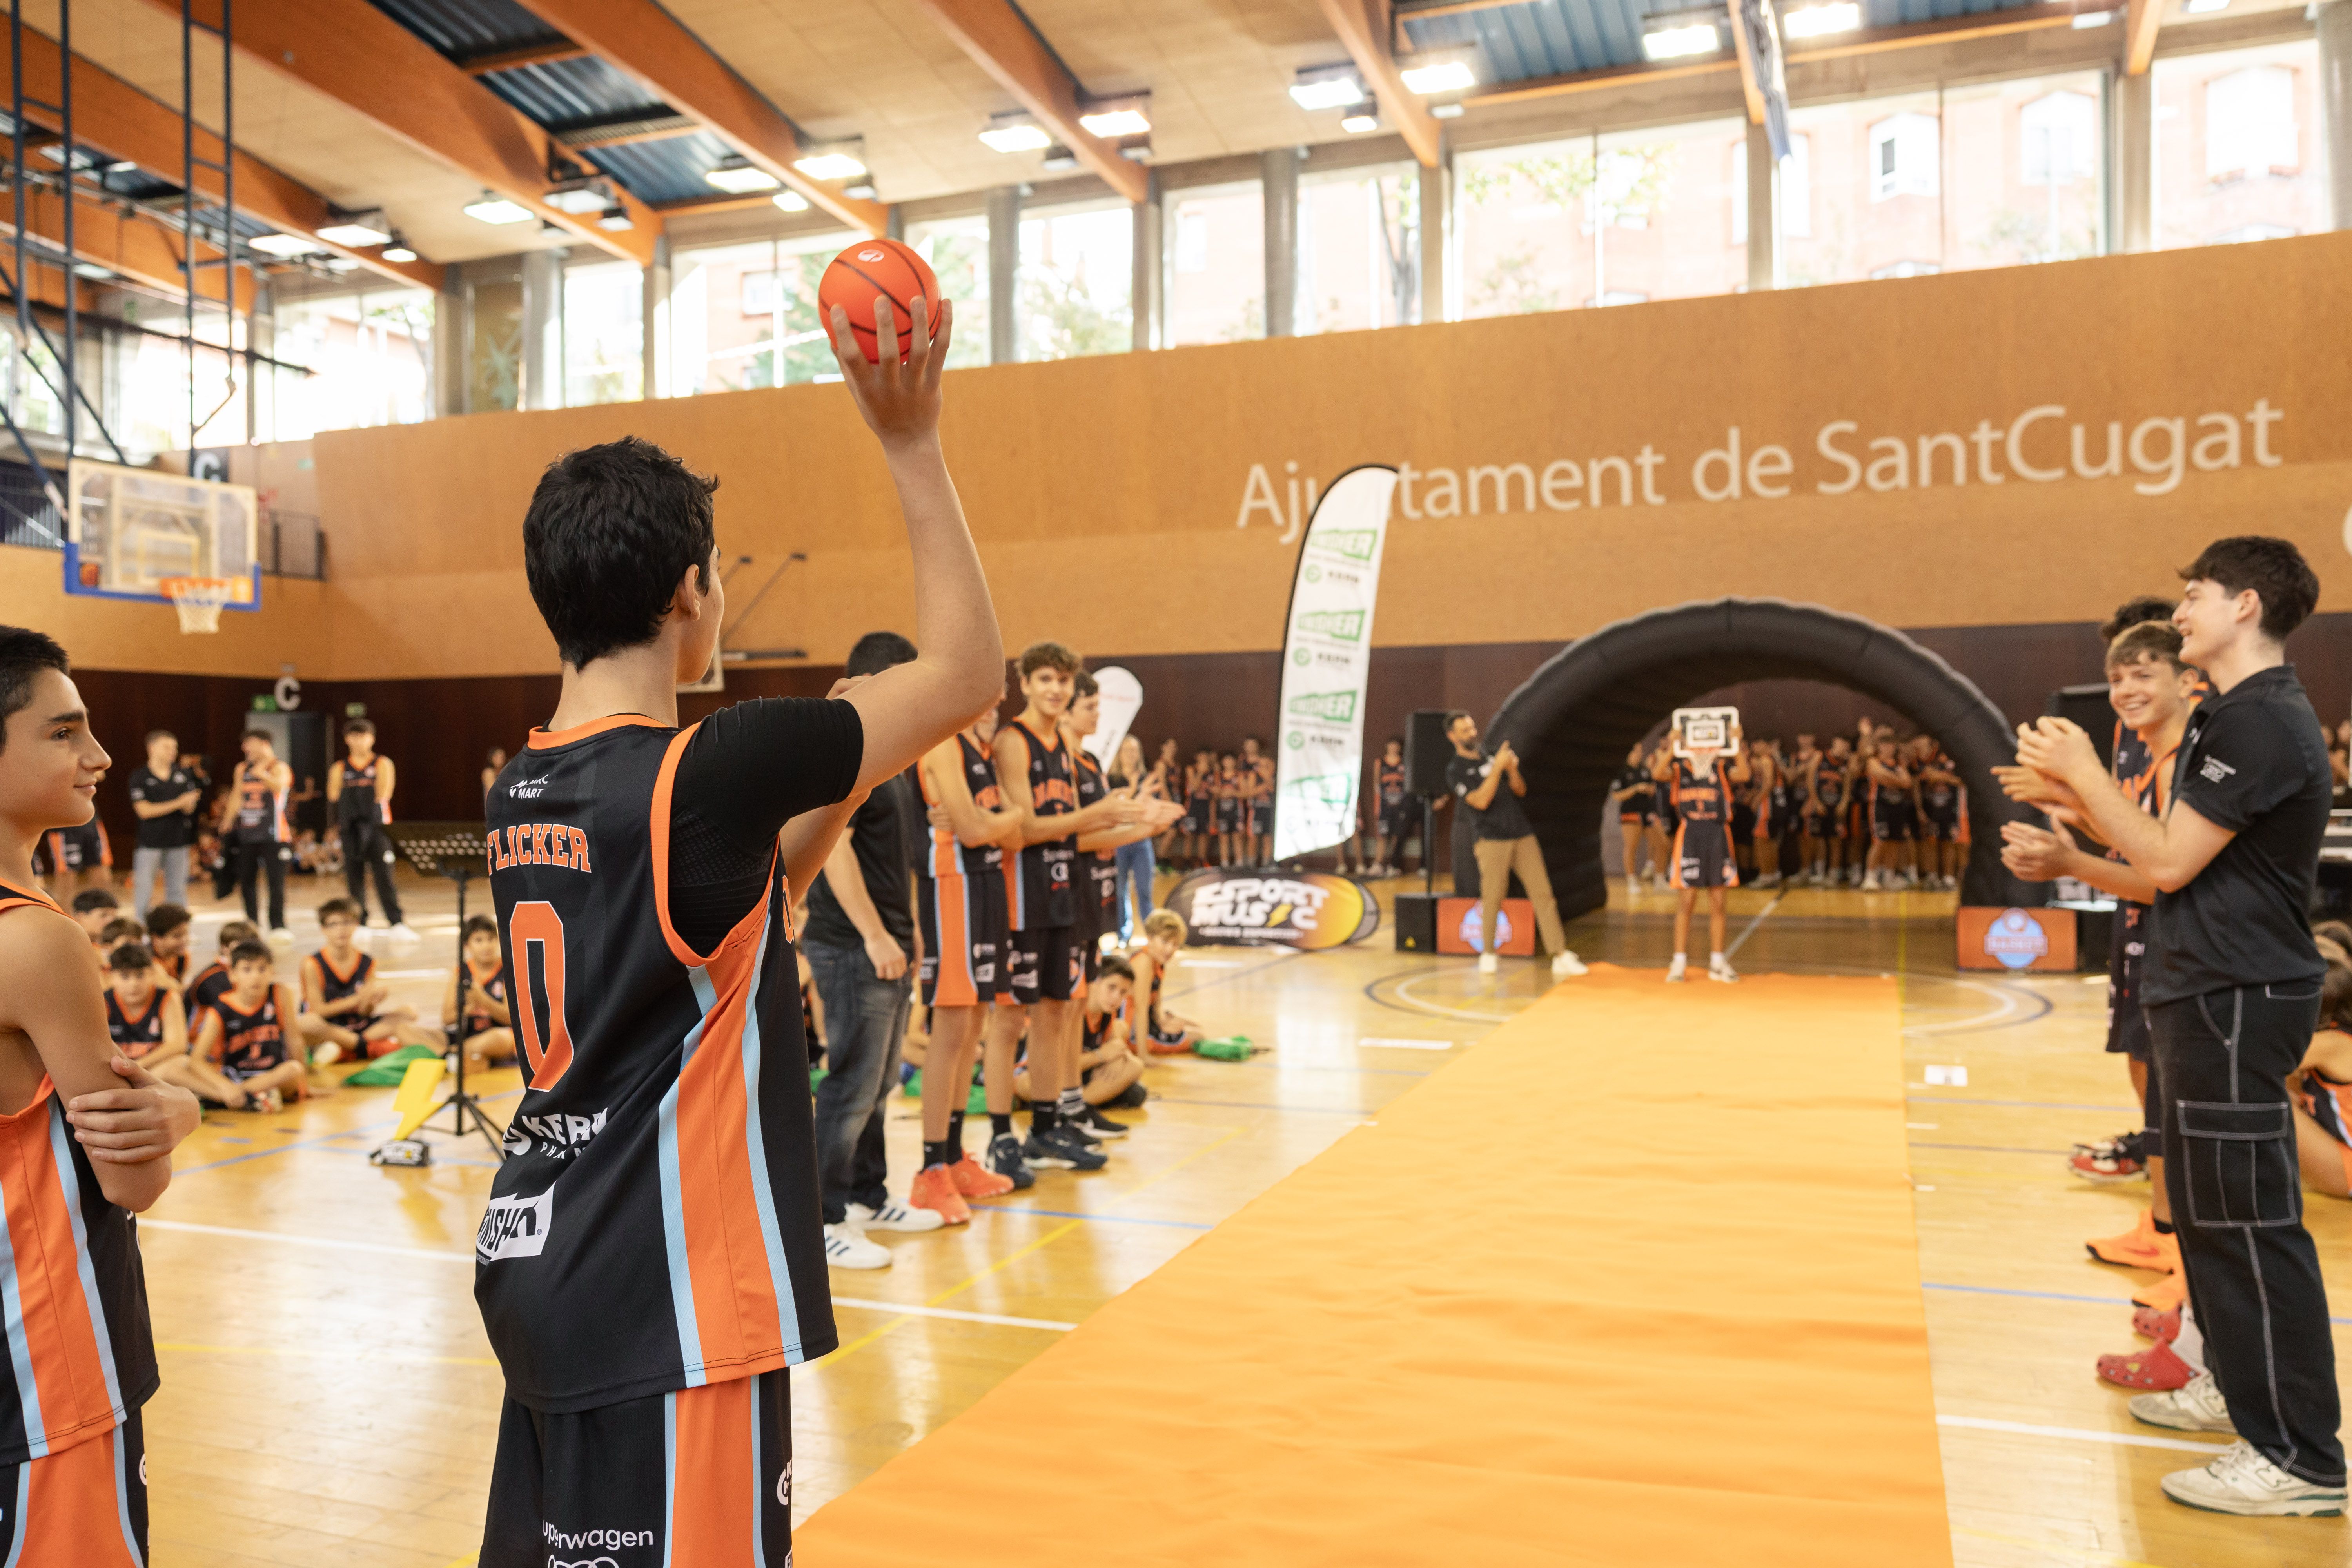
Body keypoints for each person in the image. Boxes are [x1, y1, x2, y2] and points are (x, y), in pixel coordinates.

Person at [472, 287, 1002, 1568]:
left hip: (545, 1257)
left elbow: (737, 909)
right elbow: (971, 673)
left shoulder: (525, 784)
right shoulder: (708, 768)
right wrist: (912, 439)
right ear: (691, 592)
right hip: (671, 1292)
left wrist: (840, 783)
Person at [2010, 536, 2343, 1516]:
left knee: (2250, 1223)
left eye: (2197, 592)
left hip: (2239, 996)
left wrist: (2079, 769)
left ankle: (2302, 1458)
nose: (2182, 606)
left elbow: (2162, 858)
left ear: (2244, 606)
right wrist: (2073, 832)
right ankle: (2244, 1404)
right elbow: (2173, 868)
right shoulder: (2232, 716)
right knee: (2206, 1220)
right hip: (2206, 989)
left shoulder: (2264, 723)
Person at [0, 626, 201, 1562]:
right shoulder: (38, 942)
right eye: (62, 732)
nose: (99, 756)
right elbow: (132, 1179)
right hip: (48, 1365)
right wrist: (185, 1108)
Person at [1998, 620, 2197, 1323]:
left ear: (2190, 678)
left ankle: (2184, 1262)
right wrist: (2076, 812)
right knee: (2157, 1091)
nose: (2125, 690)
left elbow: (2168, 875)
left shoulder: (2185, 762)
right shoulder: (2156, 756)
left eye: (2142, 673)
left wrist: (2072, 852)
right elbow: (2144, 852)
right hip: (2158, 943)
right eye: (2116, 677)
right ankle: (2168, 1239)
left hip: (2190, 955)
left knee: (2183, 1110)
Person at [802, 630, 947, 1269]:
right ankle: (821, 1218)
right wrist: (876, 934)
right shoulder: (849, 752)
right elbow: (833, 851)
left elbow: (902, 863)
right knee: (851, 1082)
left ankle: (867, 1195)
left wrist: (909, 929)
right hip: (850, 947)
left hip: (886, 943)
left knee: (882, 1079)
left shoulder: (898, 759)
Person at [980, 643, 1140, 1181]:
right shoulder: (1013, 742)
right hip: (1020, 900)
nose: (1056, 689)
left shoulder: (1067, 754)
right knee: (1010, 1019)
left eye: (1064, 681)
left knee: (1053, 1013)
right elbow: (1023, 829)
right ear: (1025, 683)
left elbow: (1076, 828)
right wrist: (1096, 812)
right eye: (1046, 679)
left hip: (1063, 896)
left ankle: (1046, 1128)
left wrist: (1135, 818)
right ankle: (1001, 1135)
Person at [907, 694, 1024, 1222]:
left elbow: (1006, 835)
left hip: (985, 887)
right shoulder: (943, 744)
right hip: (953, 888)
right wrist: (1007, 814)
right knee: (952, 1030)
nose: (991, 707)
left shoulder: (979, 753)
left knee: (974, 1025)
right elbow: (979, 831)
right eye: (981, 697)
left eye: (998, 701)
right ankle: (931, 1170)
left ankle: (953, 1159)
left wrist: (995, 819)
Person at [1444, 711, 1584, 980]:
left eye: (1472, 727)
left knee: (1543, 894)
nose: (1472, 733)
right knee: (1493, 897)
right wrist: (1497, 770)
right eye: (1464, 730)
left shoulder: (1492, 754)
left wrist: (1512, 770)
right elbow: (1480, 801)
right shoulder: (1456, 770)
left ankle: (1560, 954)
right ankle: (1488, 952)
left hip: (1522, 834)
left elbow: (1520, 790)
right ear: (1453, 737)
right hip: (1491, 840)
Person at [1655, 722, 1752, 983]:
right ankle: (1678, 962)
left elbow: (1744, 773)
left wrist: (1736, 744)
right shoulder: (1679, 770)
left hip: (1718, 835)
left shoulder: (1720, 769)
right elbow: (1657, 772)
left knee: (1719, 902)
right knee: (1686, 902)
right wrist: (1673, 746)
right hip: (1690, 836)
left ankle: (1718, 962)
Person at [302, 897, 436, 1065]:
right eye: (333, 925)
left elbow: (365, 1013)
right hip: (329, 1026)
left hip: (357, 1025)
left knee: (409, 1012)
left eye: (347, 923)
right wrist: (355, 1000)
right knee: (308, 1023)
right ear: (323, 929)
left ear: (356, 924)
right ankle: (362, 1047)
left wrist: (371, 1001)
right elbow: (318, 1011)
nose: (341, 930)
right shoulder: (312, 964)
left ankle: (347, 1047)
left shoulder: (367, 962)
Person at [191, 940, 313, 1113]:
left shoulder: (281, 994)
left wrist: (304, 1084)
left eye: (262, 969)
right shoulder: (221, 1009)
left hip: (273, 1076)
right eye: (247, 970)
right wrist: (225, 1086)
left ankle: (227, 1099)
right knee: (172, 1069)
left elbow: (294, 1040)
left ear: (272, 971)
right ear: (233, 975)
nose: (256, 976)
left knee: (294, 1069)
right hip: (234, 1078)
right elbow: (197, 1060)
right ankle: (249, 1098)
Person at [328, 719, 418, 940]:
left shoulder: (382, 763)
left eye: (364, 736)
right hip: (350, 828)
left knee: (384, 875)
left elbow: (384, 793)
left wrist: (359, 792)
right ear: (347, 739)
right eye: (355, 736)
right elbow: (333, 795)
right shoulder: (340, 767)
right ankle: (360, 922)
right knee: (354, 877)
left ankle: (396, 922)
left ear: (373, 738)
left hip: (378, 827)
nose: (359, 741)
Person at [125, 728, 200, 918]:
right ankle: (142, 928)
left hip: (178, 841)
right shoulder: (140, 777)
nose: (172, 751)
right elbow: (144, 811)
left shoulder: (183, 775)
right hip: (149, 843)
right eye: (166, 747)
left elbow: (189, 809)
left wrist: (189, 802)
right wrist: (180, 802)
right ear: (151, 748)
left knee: (177, 889)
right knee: (144, 889)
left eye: (174, 747)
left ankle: (178, 927)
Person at [230, 728, 294, 939]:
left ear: (264, 744)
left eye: (249, 744)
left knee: (276, 882)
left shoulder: (279, 767)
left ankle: (278, 925)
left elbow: (281, 787)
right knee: (247, 881)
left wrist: (263, 775)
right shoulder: (242, 769)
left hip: (274, 835)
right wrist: (227, 822)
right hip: (247, 834)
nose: (245, 748)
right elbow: (236, 796)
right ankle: (252, 924)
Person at [1127, 908, 1207, 1054]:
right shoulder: (1144, 962)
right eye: (1165, 942)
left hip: (1148, 1021)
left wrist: (1163, 1022)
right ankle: (1142, 1046)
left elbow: (1156, 1006)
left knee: (1194, 1025)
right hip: (1132, 1032)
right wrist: (1143, 1055)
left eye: (1175, 944)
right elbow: (1140, 1010)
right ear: (1150, 938)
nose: (1170, 949)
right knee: (1198, 1036)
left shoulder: (1158, 962)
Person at [441, 913, 515, 1072]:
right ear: (467, 945)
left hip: (496, 1035)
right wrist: (468, 1008)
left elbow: (511, 1018)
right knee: (405, 1030)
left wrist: (483, 999)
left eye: (491, 939)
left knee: (500, 1038)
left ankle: (448, 1054)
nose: (486, 946)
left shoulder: (507, 971)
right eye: (479, 940)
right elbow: (447, 1018)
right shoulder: (461, 972)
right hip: (468, 1036)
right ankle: (461, 1056)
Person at [1109, 733, 1163, 942]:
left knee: (1144, 890)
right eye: (1126, 750)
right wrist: (1133, 792)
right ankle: (1123, 934)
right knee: (1119, 890)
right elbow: (1116, 811)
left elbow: (1149, 809)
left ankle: (1152, 935)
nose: (1131, 755)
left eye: (1134, 750)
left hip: (1141, 842)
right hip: (1119, 841)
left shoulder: (1146, 779)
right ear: (1119, 754)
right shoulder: (1113, 779)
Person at [1609, 742, 1657, 897]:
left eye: (1641, 751)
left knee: (1661, 842)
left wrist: (1649, 789)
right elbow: (1617, 796)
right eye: (1637, 751)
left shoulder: (1644, 769)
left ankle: (1656, 873)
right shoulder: (1622, 771)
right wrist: (1636, 789)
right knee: (1631, 846)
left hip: (1648, 811)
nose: (1640, 754)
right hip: (1630, 813)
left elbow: (1653, 787)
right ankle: (1631, 880)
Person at [37, 807, 111, 904]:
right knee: (66, 880)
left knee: (102, 877)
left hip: (91, 820)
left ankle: (104, 914)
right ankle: (63, 917)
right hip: (63, 824)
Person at [1372, 736, 1409, 878]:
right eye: (1391, 745)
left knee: (1396, 835)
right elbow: (1376, 785)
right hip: (1385, 805)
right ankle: (1378, 864)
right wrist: (1378, 805)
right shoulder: (1380, 763)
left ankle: (1394, 865)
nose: (1394, 748)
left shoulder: (1404, 764)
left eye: (1396, 745)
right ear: (1387, 746)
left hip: (1400, 806)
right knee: (1382, 835)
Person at [1241, 735, 1274, 866]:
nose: (1264, 768)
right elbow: (1249, 792)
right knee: (1253, 838)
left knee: (1268, 838)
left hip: (1271, 810)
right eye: (1262, 765)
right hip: (1256, 810)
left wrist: (1267, 780)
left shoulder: (1275, 776)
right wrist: (1263, 786)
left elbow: (1274, 791)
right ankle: (1251, 864)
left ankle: (1267, 864)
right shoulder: (1254, 775)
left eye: (1268, 765)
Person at [144, 900, 191, 991]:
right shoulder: (148, 964)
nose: (184, 940)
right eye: (177, 936)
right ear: (156, 938)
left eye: (186, 934)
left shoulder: (182, 957)